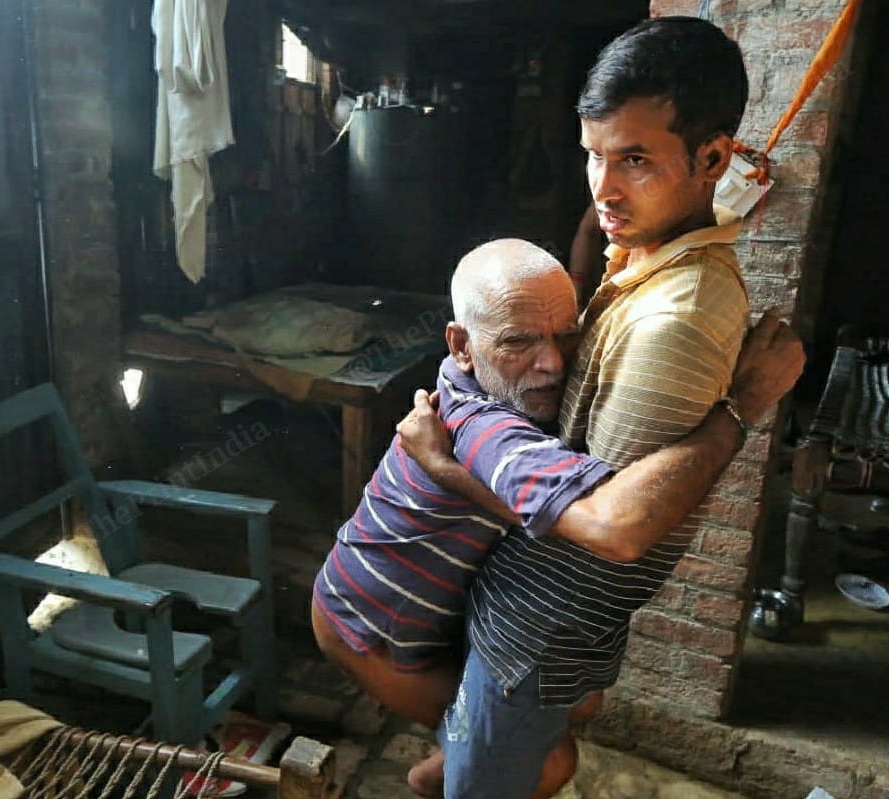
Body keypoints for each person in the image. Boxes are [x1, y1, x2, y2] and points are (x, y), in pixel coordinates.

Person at [398, 16, 780, 799]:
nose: (604, 188)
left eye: (634, 159)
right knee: (483, 753)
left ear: (712, 158)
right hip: (534, 625)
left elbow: (609, 530)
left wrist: (441, 464)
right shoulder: (642, 248)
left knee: (481, 779)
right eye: (593, 156)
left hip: (533, 626)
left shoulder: (680, 312)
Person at [311, 239, 803, 798]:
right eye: (519, 342)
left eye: (567, 336)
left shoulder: (495, 379)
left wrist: (605, 233)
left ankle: (443, 772)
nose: (551, 362)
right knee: (550, 762)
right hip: (366, 629)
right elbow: (614, 530)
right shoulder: (486, 431)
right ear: (461, 345)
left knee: (578, 701)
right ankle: (444, 781)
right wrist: (745, 403)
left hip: (418, 607)